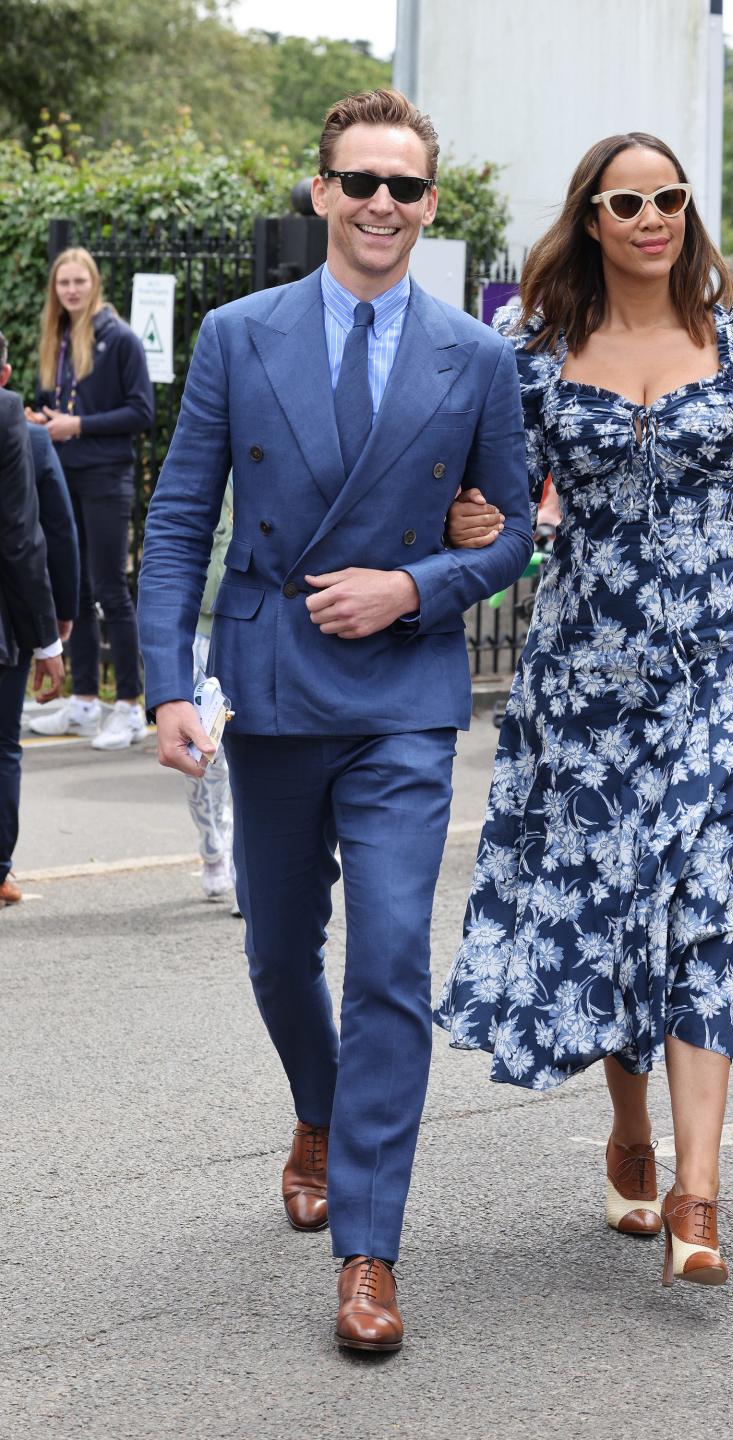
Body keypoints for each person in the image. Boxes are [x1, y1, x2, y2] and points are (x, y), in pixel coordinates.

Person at [136, 88, 532, 1352]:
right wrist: (163, 682)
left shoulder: (475, 357)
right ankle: (321, 1103)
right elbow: (180, 517)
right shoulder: (237, 336)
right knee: (275, 952)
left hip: (407, 699)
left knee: (392, 963)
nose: (380, 205)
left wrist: (414, 584)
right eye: (359, 182)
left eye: (405, 188)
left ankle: (369, 1252)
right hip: (273, 687)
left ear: (428, 207)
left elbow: (517, 532)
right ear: (320, 194)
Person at [436, 131, 733, 1288]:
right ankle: (631, 1134)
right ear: (594, 220)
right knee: (619, 910)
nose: (655, 217)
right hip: (585, 675)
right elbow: (507, 511)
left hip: (723, 665)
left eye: (670, 197)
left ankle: (700, 1195)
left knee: (709, 896)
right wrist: (480, 531)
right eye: (630, 202)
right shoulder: (538, 356)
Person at [27, 247, 154, 750]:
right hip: (65, 472)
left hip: (105, 476)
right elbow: (60, 407)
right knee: (72, 589)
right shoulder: (56, 338)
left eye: (79, 282)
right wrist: (45, 421)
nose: (72, 290)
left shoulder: (119, 338)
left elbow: (141, 411)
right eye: (63, 284)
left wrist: (75, 425)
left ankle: (128, 703)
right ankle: (82, 700)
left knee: (110, 588)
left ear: (94, 284)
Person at [0, 328, 80, 906]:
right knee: (3, 746)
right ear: (6, 376)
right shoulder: (21, 431)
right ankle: (1, 867)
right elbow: (39, 536)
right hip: (5, 621)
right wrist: (54, 629)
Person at [185, 477, 239, 910]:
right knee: (202, 757)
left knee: (244, 757)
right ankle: (211, 845)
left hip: (245, 630)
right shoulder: (207, 470)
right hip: (199, 631)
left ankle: (242, 867)